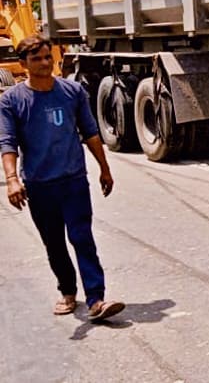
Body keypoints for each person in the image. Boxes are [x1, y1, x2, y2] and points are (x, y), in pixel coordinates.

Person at [1, 35, 124, 322]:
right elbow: (7, 142)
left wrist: (104, 169)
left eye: (47, 57)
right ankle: (68, 292)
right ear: (23, 64)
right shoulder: (12, 101)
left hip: (73, 181)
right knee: (54, 242)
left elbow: (90, 132)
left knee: (82, 238)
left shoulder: (72, 92)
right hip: (39, 185)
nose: (45, 63)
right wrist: (12, 180)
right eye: (37, 59)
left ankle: (96, 299)